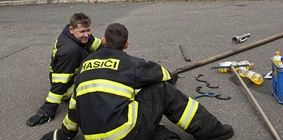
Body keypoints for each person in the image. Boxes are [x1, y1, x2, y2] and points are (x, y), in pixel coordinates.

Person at [41, 23, 234, 140]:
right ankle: (212, 131)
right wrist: (170, 75)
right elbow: (162, 75)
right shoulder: (131, 63)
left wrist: (63, 134)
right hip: (123, 134)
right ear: (126, 44)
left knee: (161, 132)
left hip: (92, 135)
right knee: (162, 90)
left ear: (103, 40)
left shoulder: (85, 65)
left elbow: (75, 105)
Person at [26, 12, 102, 127]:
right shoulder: (69, 51)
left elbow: (98, 45)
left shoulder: (77, 35)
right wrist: (48, 108)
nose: (87, 35)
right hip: (69, 87)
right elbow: (60, 82)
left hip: (75, 76)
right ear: (71, 29)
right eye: (83, 31)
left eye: (88, 30)